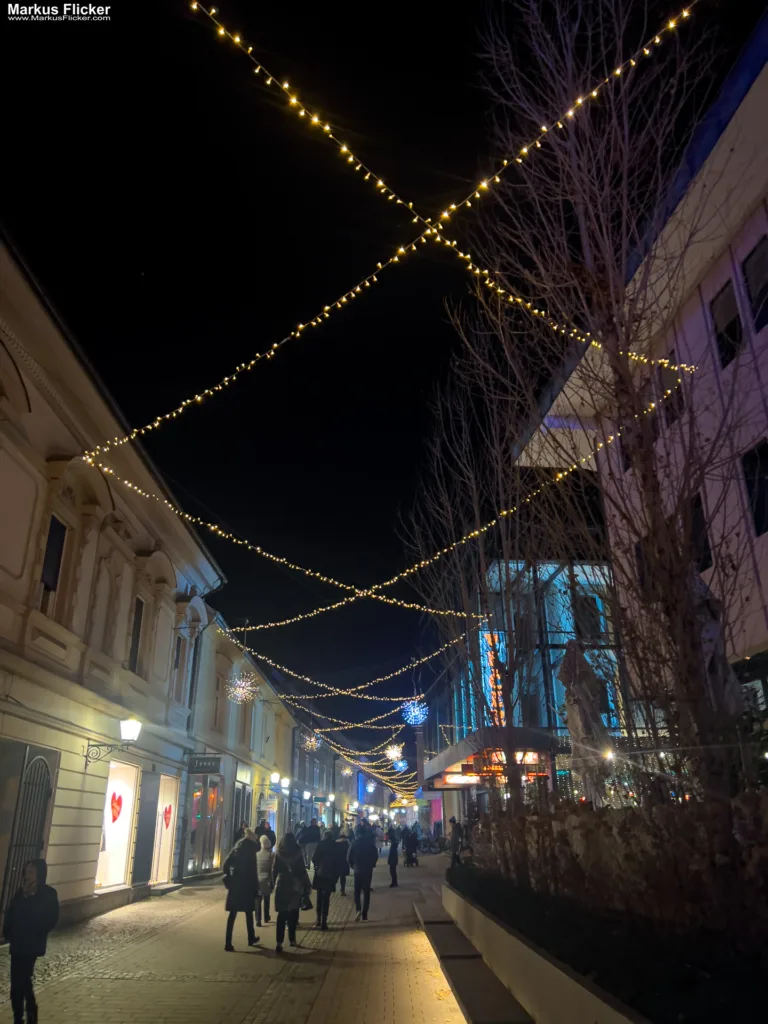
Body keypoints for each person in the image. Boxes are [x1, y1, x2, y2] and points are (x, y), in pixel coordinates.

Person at [3, 858, 59, 1024]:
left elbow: (51, 918)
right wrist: (8, 932)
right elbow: (11, 914)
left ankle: (30, 1009)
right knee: (17, 982)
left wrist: (32, 899)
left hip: (33, 944)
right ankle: (18, 1015)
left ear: (40, 874)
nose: (28, 875)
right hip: (17, 943)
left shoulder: (48, 893)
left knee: (23, 977)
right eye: (26, 871)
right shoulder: (20, 893)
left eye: (32, 872)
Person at [222, 828, 260, 951]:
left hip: (236, 884)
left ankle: (228, 942)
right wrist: (256, 887)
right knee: (249, 912)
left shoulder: (237, 848)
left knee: (233, 914)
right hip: (247, 884)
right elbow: (253, 872)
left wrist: (229, 876)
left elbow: (226, 865)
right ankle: (251, 937)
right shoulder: (251, 851)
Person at [272, 832, 311, 952]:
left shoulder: (278, 854)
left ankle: (279, 942)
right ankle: (292, 939)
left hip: (282, 885)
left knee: (282, 915)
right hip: (295, 886)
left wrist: (273, 883)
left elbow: (274, 870)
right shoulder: (298, 854)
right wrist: (306, 886)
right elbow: (302, 872)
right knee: (293, 914)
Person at [348, 823, 378, 921]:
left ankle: (358, 909)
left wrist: (352, 865)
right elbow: (375, 855)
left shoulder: (354, 843)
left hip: (357, 869)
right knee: (366, 891)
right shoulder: (370, 843)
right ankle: (365, 913)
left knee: (357, 891)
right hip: (368, 869)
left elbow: (348, 857)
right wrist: (372, 864)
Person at [311, 826, 338, 930]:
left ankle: (318, 919)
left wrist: (318, 865)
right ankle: (324, 921)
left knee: (319, 897)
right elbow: (337, 862)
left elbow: (314, 859)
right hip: (330, 875)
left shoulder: (320, 844)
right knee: (326, 899)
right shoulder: (335, 846)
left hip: (320, 874)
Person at [255, 834, 274, 926]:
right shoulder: (271, 855)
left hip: (258, 880)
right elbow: (272, 869)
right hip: (267, 880)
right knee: (267, 900)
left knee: (258, 900)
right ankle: (266, 917)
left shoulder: (256, 855)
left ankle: (258, 920)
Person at [334, 828, 352, 896]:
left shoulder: (336, 842)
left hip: (336, 861)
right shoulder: (347, 843)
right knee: (342, 876)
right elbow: (349, 853)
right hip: (344, 861)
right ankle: (342, 890)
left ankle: (333, 887)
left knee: (335, 875)